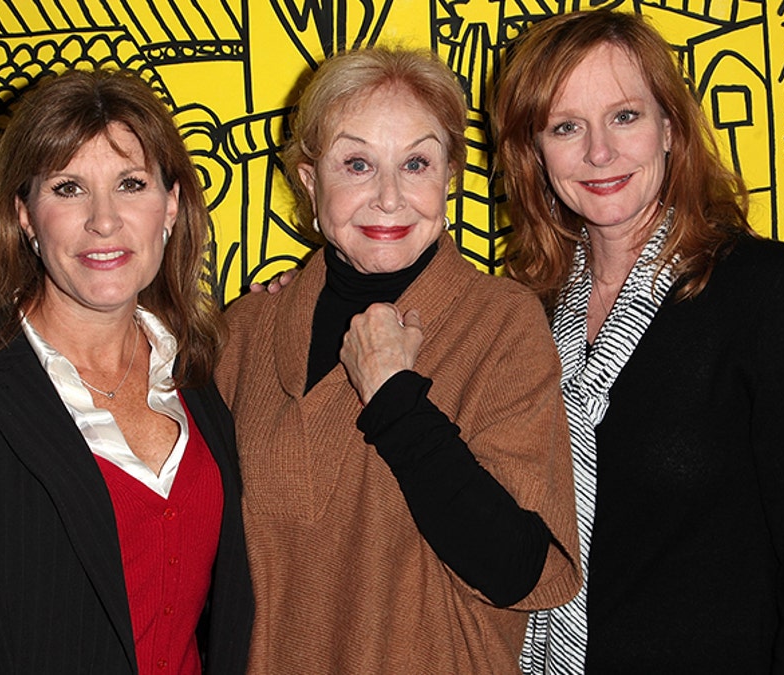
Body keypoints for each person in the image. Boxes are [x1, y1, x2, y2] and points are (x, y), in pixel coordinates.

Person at [0, 68, 252, 674]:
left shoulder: (203, 374)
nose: (104, 220)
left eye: (131, 183)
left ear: (172, 204)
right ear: (25, 216)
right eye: (68, 188)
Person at [492, 9, 784, 673]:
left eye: (625, 116)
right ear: (535, 151)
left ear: (670, 126)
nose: (598, 152)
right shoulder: (523, 314)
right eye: (565, 126)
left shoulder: (767, 292)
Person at [215, 47, 581, 672]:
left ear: (450, 179)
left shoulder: (500, 325)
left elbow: (519, 570)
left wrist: (395, 399)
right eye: (357, 163)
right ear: (309, 181)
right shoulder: (243, 334)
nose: (388, 197)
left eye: (416, 163)